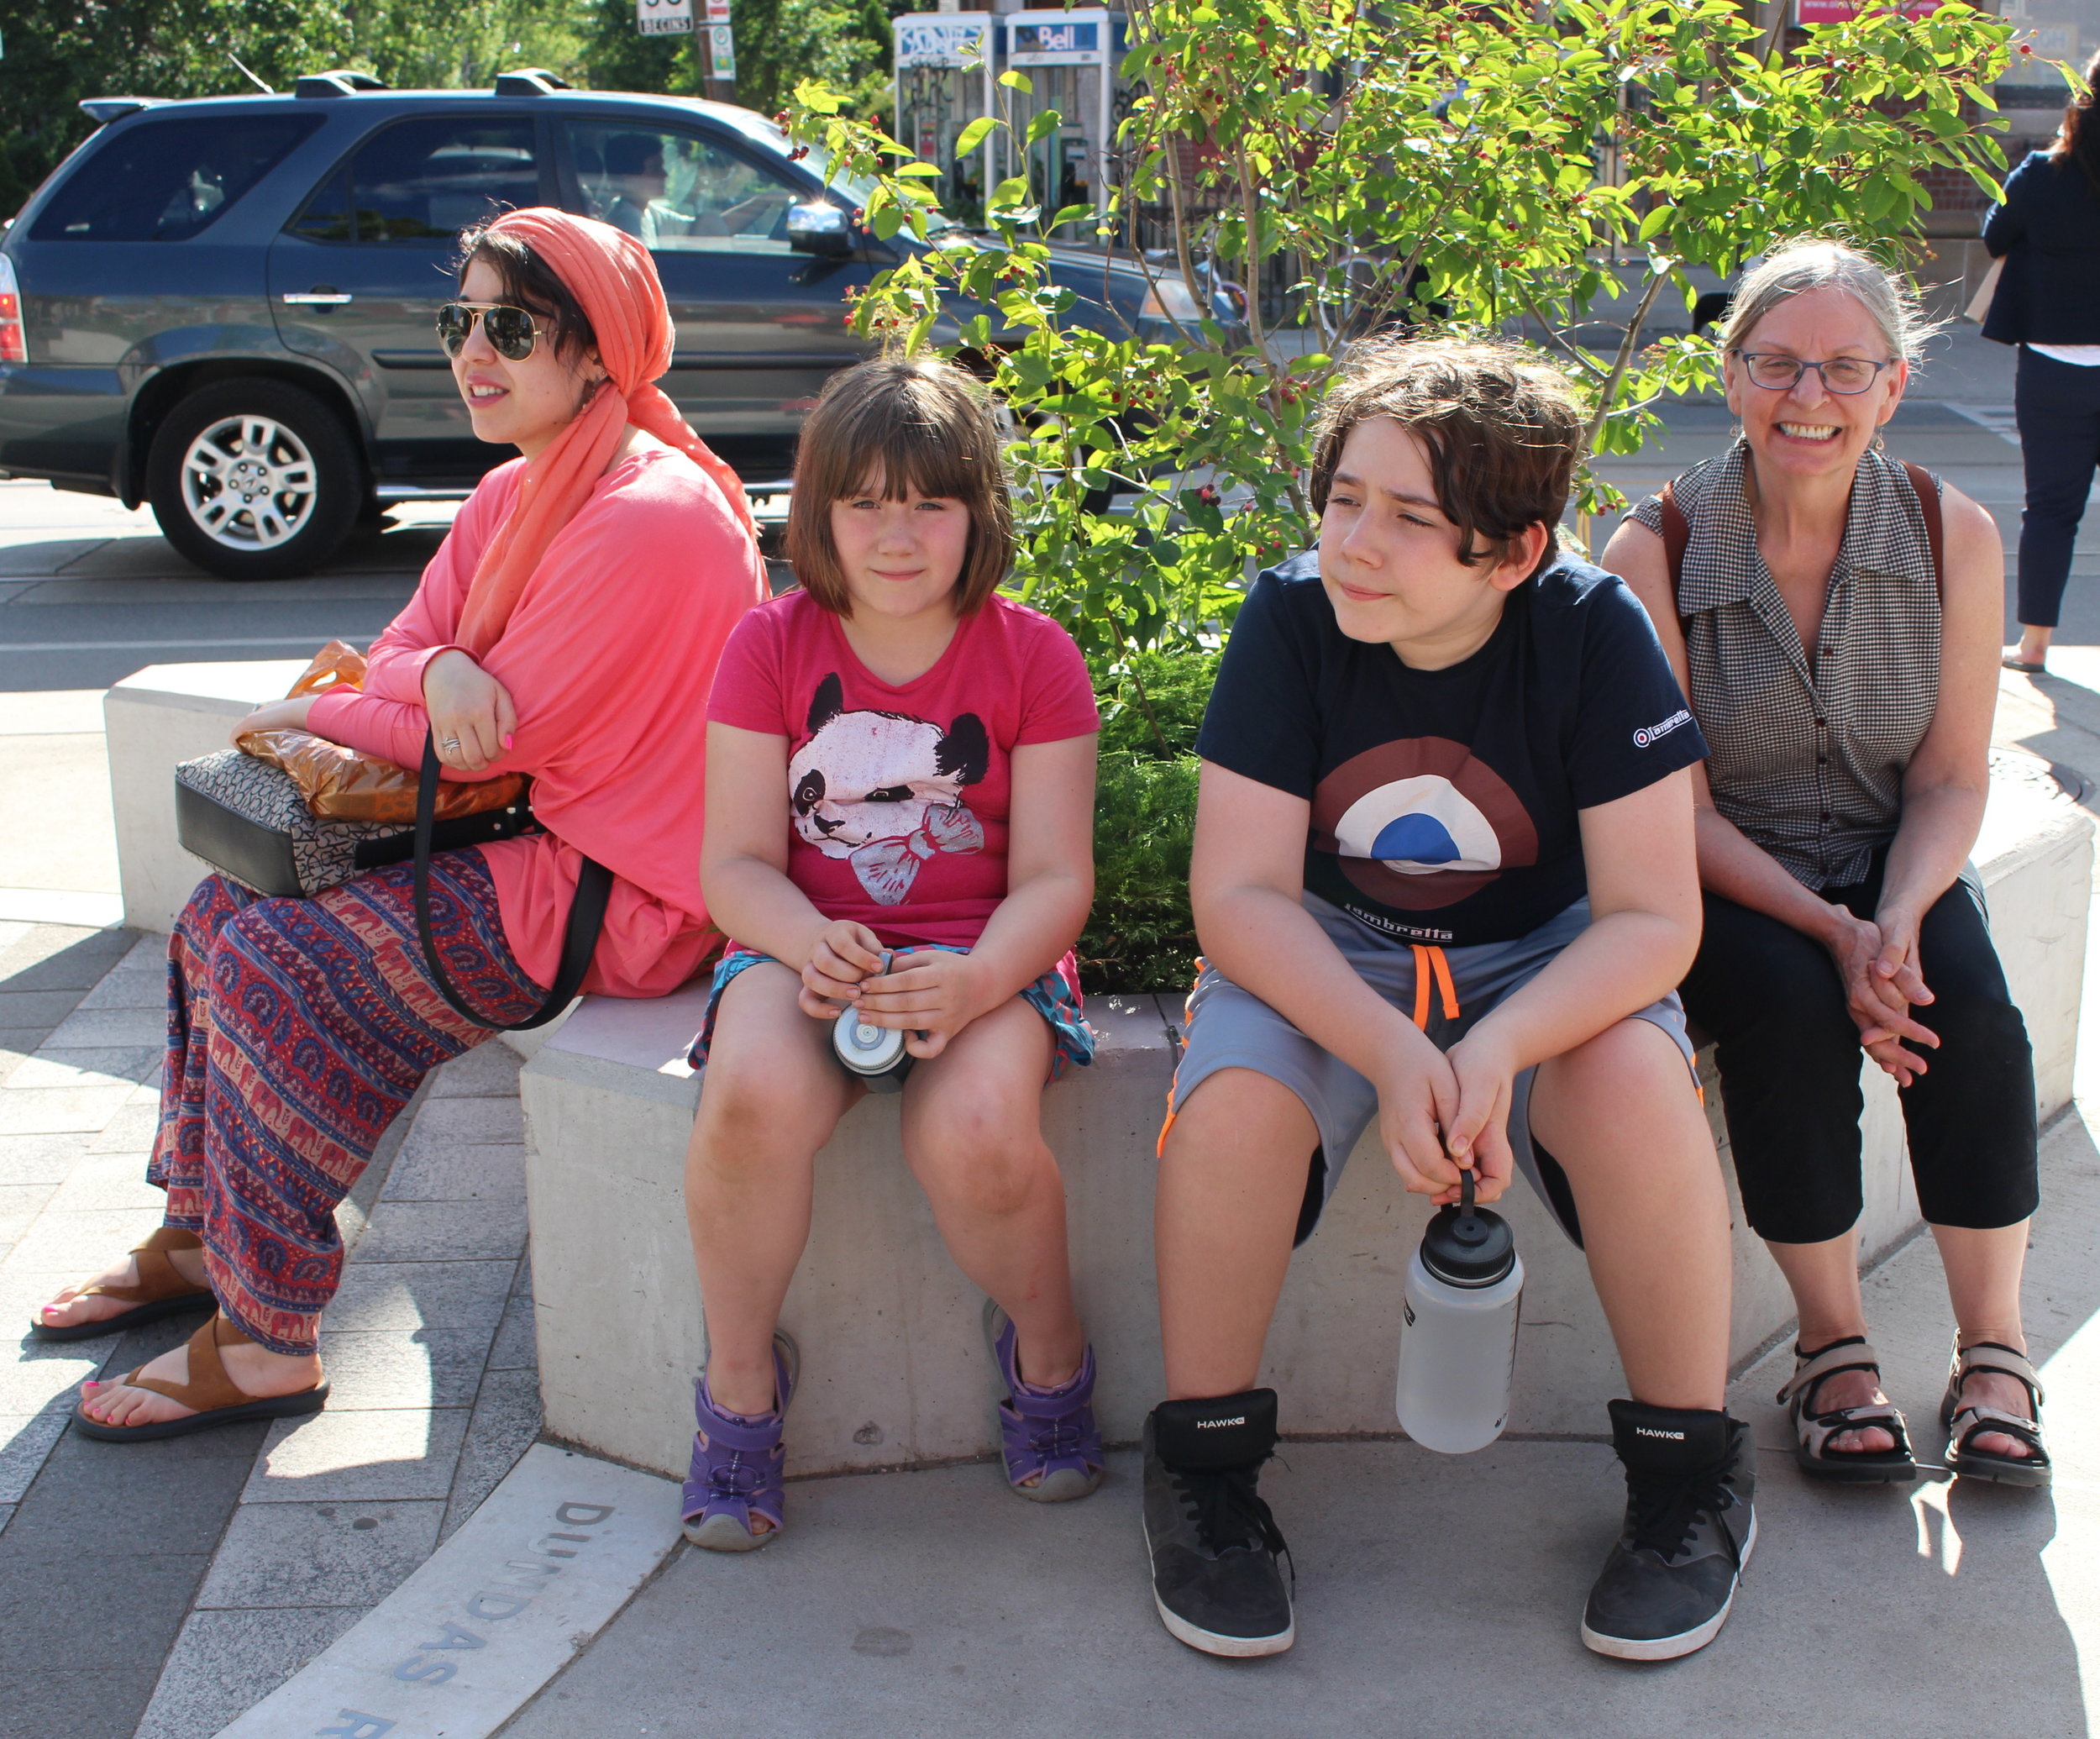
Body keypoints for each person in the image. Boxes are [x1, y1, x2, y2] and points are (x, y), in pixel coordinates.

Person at [34, 209, 769, 1438]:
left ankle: (269, 1339)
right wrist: (427, 677)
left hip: (628, 894)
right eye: (460, 321)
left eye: (512, 327)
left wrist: (383, 695)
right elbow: (405, 662)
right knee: (220, 915)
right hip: (535, 841)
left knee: (279, 959)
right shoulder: (519, 487)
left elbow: (485, 740)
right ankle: (205, 1233)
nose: (475, 352)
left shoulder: (654, 515)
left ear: (599, 353)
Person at [1146, 338, 1748, 1663]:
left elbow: (1656, 915)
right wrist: (1390, 1045)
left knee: (1643, 1093)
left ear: (1515, 549)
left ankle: (1687, 1480)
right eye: (1345, 497)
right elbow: (1238, 896)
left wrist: (1505, 1043)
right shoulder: (1291, 618)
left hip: (1543, 957)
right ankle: (1203, 1475)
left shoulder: (1594, 630)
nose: (1356, 541)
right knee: (1235, 1111)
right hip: (1327, 953)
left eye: (1412, 520)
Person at [1606, 240, 2048, 1492]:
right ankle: (1830, 1343)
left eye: (1846, 367)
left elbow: (1955, 776)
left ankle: (1995, 1349)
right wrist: (1831, 931)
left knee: (1969, 1005)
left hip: (1888, 855)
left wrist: (1895, 918)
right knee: (1789, 1011)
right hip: (1729, 873)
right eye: (1779, 363)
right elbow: (1674, 814)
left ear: (1894, 386)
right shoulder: (1656, 551)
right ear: (1732, 374)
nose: (1812, 395)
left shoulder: (1952, 534)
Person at [680, 355, 1105, 1551]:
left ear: (980, 513)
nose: (897, 532)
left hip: (989, 955)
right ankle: (741, 1386)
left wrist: (977, 979)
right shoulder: (768, 646)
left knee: (971, 1132)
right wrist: (809, 941)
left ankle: (1050, 1350)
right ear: (818, 516)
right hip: (801, 948)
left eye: (929, 500)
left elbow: (1060, 879)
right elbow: (734, 869)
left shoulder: (1034, 657)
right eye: (863, 501)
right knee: (752, 1093)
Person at [1986, 50, 2100, 676]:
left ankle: (2033, 645)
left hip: (2054, 366)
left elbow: (1996, 236)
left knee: (2050, 509)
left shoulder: (2040, 173)